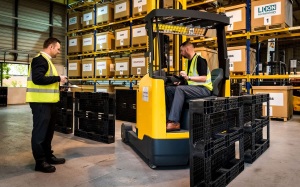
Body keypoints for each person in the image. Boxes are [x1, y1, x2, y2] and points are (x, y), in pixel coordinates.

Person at [26, 38, 68, 173]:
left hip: (49, 102)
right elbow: (38, 79)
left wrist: (58, 85)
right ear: (51, 46)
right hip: (40, 103)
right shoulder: (40, 60)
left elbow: (46, 81)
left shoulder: (47, 61)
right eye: (58, 48)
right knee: (40, 133)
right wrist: (58, 78)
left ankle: (48, 156)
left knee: (48, 132)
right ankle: (40, 162)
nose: (59, 51)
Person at [165, 41, 213, 132]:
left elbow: (203, 78)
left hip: (204, 89)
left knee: (180, 90)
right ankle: (170, 118)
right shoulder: (188, 62)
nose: (181, 53)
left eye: (181, 51)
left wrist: (188, 77)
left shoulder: (200, 59)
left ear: (187, 49)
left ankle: (174, 122)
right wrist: (181, 82)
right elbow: (188, 80)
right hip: (195, 88)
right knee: (169, 89)